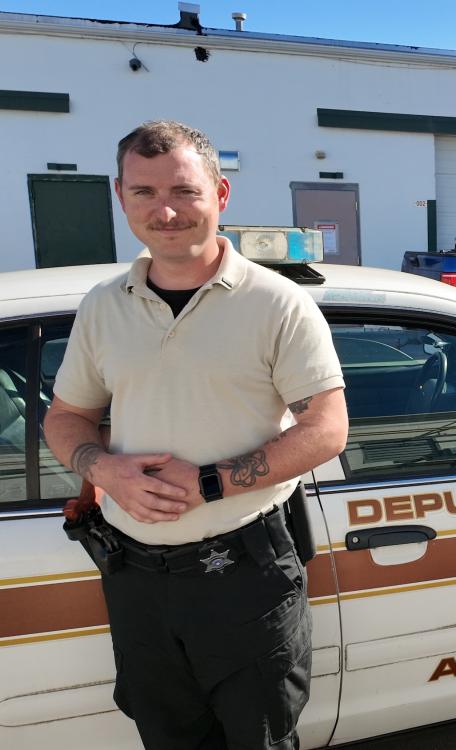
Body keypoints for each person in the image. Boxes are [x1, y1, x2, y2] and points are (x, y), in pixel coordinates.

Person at [44, 121, 349, 749]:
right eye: (144, 192)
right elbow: (65, 418)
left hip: (245, 576)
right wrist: (104, 471)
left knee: (258, 740)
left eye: (184, 190)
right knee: (167, 738)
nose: (165, 210)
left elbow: (326, 430)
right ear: (120, 197)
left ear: (221, 194)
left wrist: (209, 482)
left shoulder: (278, 304)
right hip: (135, 579)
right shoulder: (104, 306)